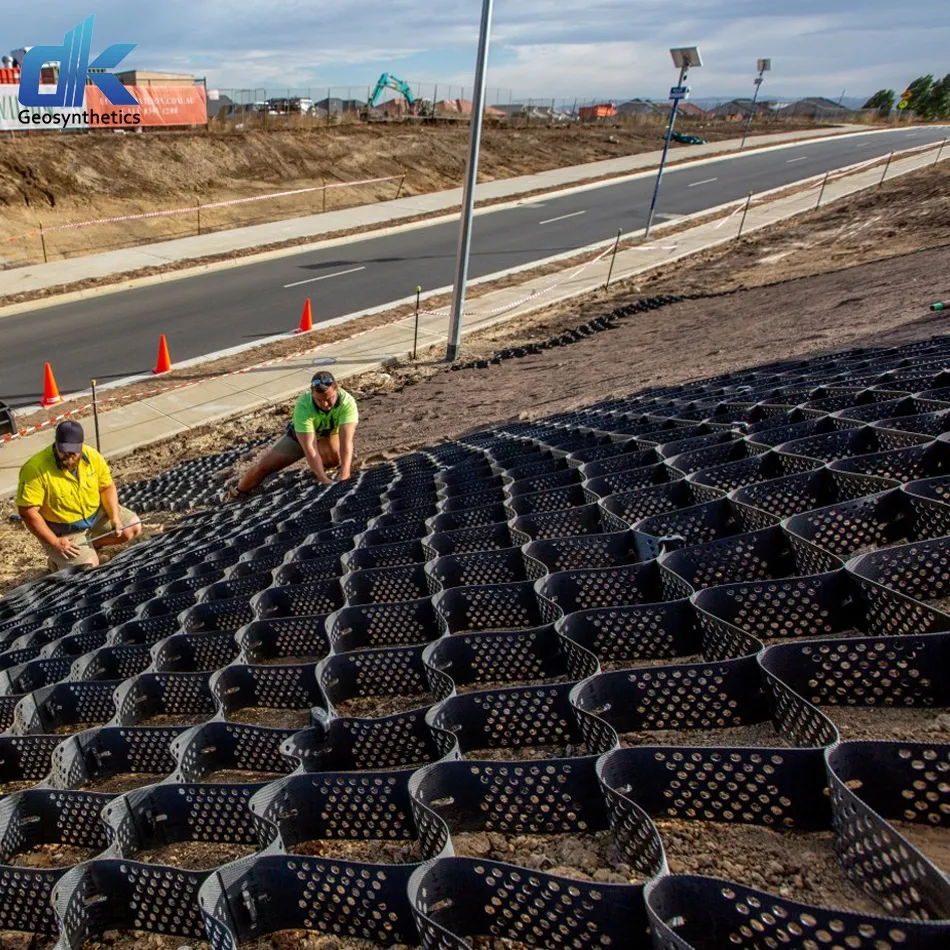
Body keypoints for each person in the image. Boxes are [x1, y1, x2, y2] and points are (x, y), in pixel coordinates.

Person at [15, 420, 142, 571]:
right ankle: (57, 563)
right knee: (86, 568)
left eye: (73, 451)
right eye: (63, 450)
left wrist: (114, 518)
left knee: (132, 526)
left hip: (95, 516)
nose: (68, 456)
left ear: (81, 445)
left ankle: (92, 545)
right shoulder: (35, 469)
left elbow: (107, 487)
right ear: (56, 444)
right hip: (64, 530)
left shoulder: (92, 456)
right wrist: (55, 542)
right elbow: (28, 513)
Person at [226, 371, 358, 499]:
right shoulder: (304, 404)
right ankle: (237, 492)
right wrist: (324, 481)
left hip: (327, 435)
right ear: (312, 393)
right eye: (319, 400)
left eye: (329, 399)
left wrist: (345, 474)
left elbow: (346, 442)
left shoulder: (347, 403)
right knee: (264, 467)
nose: (325, 404)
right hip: (301, 437)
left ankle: (324, 467)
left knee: (334, 458)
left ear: (336, 389)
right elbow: (310, 449)